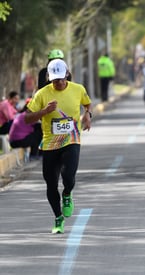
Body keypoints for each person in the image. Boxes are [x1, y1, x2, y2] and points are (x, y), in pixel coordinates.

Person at [25, 59, 92, 234]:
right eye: (55, 80)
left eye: (62, 79)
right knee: (51, 183)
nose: (59, 83)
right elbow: (27, 118)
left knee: (68, 175)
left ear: (67, 74)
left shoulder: (78, 89)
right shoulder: (42, 94)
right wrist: (44, 111)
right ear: (49, 77)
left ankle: (68, 194)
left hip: (72, 139)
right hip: (50, 143)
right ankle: (58, 217)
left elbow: (87, 103)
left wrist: (88, 115)